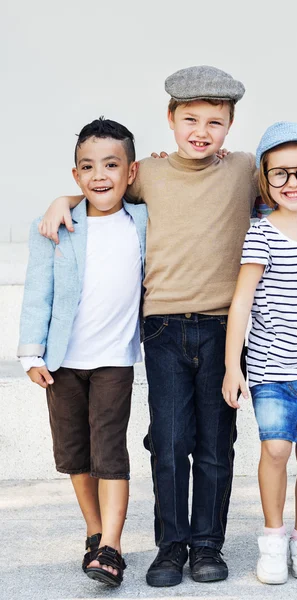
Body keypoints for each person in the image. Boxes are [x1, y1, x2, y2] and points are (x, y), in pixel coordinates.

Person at [36, 66, 259, 587]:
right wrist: (60, 200)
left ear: (230, 125)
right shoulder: (149, 174)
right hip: (161, 329)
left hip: (223, 327)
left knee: (214, 443)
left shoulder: (246, 168)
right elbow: (100, 189)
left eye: (215, 122)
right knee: (169, 438)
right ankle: (170, 545)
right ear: (170, 119)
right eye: (190, 119)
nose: (201, 131)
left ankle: (207, 544)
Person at [17, 117, 147, 587]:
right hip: (62, 361)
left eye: (111, 165)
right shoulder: (57, 224)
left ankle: (112, 545)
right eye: (87, 167)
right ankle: (94, 532)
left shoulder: (143, 219)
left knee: (110, 452)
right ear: (75, 176)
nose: (100, 175)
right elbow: (38, 291)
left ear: (130, 172)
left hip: (113, 359)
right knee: (75, 454)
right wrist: (32, 354)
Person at [222, 122, 297, 584]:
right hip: (273, 367)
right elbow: (242, 302)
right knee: (275, 448)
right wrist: (234, 366)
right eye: (280, 174)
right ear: (265, 180)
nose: (293, 183)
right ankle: (273, 539)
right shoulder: (261, 233)